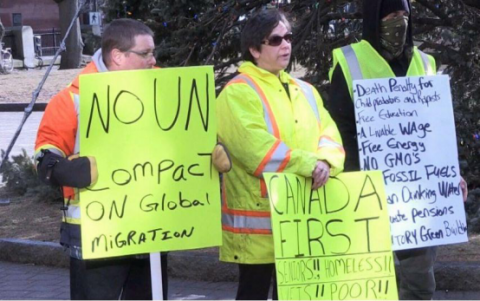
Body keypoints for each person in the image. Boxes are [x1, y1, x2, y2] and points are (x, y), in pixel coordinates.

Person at [34, 18, 231, 300]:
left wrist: (216, 156)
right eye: (146, 53)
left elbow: (190, 144)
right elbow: (46, 154)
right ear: (117, 55)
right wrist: (62, 169)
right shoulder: (72, 100)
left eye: (153, 53)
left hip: (152, 228)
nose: (154, 60)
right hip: (97, 235)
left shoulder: (168, 91)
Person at [327, 0, 468, 299]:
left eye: (404, 15)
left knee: (420, 284)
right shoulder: (350, 61)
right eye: (391, 15)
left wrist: (451, 174)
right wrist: (359, 186)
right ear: (374, 20)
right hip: (370, 193)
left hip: (420, 197)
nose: (399, 22)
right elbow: (340, 130)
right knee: (379, 284)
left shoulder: (426, 63)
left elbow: (438, 129)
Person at [216, 9, 345, 300]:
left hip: (305, 221)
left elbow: (330, 134)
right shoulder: (238, 92)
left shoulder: (306, 90)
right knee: (253, 294)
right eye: (275, 40)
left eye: (288, 37)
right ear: (254, 49)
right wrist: (311, 164)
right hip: (258, 229)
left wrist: (326, 161)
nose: (286, 44)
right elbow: (257, 152)